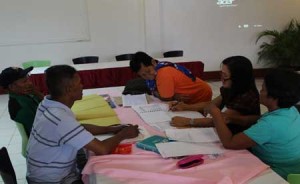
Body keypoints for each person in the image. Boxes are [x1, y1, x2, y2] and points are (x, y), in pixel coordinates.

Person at [26, 65, 139, 184]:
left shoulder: (47, 103)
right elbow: (102, 149)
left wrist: (110, 129)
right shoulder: (60, 118)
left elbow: (77, 128)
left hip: (43, 172)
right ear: (69, 89)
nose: (82, 85)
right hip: (51, 180)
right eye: (79, 82)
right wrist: (123, 134)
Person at [206, 69, 300, 180]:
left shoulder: (269, 125)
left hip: (279, 173)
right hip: (293, 165)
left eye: (263, 89)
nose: (260, 91)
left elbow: (229, 143)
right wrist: (235, 119)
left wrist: (215, 113)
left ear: (274, 97)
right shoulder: (291, 110)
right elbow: (261, 119)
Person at [170, 56, 260, 134]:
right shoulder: (230, 88)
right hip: (222, 131)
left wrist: (189, 121)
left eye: (225, 76)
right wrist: (185, 107)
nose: (221, 78)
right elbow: (211, 104)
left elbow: (221, 120)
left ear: (238, 78)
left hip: (236, 135)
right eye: (221, 73)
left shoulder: (246, 96)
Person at [129, 51, 212, 104]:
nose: (148, 76)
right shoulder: (158, 68)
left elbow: (166, 98)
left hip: (200, 95)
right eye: (143, 75)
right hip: (195, 93)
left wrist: (157, 93)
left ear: (153, 62)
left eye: (148, 71)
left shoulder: (163, 73)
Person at [0, 66, 43, 137]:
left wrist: (37, 93)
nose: (30, 83)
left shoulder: (26, 95)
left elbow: (47, 104)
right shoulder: (21, 107)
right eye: (24, 81)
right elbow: (38, 132)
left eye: (28, 79)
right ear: (11, 87)